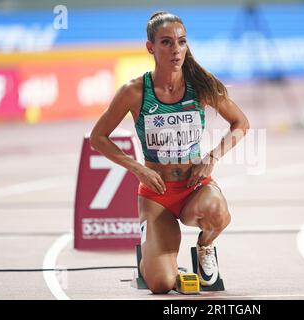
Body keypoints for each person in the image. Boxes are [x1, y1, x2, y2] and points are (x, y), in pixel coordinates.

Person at [90, 11, 250, 294]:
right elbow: (98, 137)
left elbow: (241, 123)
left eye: (181, 41)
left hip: (194, 187)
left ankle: (204, 248)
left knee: (218, 212)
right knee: (161, 284)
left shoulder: (200, 86)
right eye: (166, 42)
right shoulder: (135, 91)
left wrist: (211, 158)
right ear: (150, 47)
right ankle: (152, 258)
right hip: (157, 195)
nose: (176, 49)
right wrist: (138, 168)